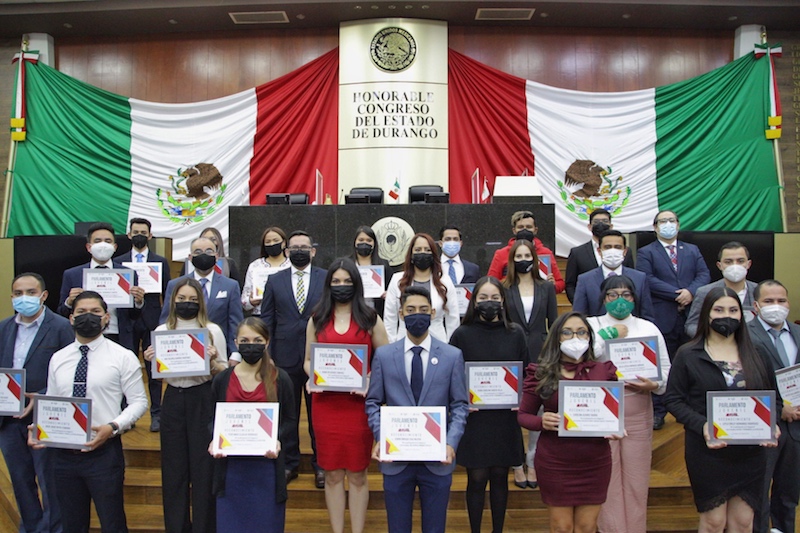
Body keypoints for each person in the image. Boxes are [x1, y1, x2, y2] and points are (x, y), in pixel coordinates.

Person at [33, 291, 147, 532]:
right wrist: (41, 428)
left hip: (104, 453)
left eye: (95, 312)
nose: (88, 317)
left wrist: (113, 427)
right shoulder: (58, 358)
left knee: (112, 522)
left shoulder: (123, 356)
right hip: (63, 455)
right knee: (71, 524)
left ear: (106, 317)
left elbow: (139, 402)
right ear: (71, 318)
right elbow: (54, 401)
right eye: (81, 312)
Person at [665, 286, 777, 533]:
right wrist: (703, 425)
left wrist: (773, 424)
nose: (726, 315)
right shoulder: (688, 354)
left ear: (742, 315)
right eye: (719, 310)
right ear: (707, 313)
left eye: (733, 310)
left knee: (743, 522)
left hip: (751, 451)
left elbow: (774, 398)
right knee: (714, 522)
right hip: (708, 452)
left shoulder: (758, 352)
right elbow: (673, 400)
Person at [366, 285, 469, 533]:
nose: (417, 314)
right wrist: (381, 435)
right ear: (401, 313)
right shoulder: (384, 356)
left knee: (435, 527)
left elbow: (460, 405)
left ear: (433, 313)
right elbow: (373, 402)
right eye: (411, 310)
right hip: (396, 458)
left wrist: (451, 443)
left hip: (437, 458)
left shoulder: (452, 356)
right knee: (397, 527)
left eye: (423, 309)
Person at [303, 258, 389, 533]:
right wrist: (314, 375)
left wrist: (370, 378)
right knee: (331, 473)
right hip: (325, 405)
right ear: (328, 285)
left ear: (357, 284)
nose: (342, 286)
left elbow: (385, 361)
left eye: (347, 281)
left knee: (357, 474)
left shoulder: (370, 319)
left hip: (358, 406)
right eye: (336, 281)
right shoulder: (317, 319)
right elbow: (307, 360)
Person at [517, 311, 620, 533]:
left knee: (587, 527)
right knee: (561, 527)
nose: (575, 338)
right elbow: (523, 415)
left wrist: (615, 427)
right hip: (555, 461)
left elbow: (614, 414)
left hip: (595, 461)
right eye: (567, 332)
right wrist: (542, 421)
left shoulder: (604, 371)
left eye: (582, 332)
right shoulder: (542, 372)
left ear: (590, 338)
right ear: (557, 337)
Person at [586, 275, 671, 533]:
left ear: (634, 298)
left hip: (638, 408)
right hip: (602, 411)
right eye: (613, 295)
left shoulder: (648, 328)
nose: (619, 300)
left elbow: (665, 370)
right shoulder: (591, 325)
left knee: (637, 477)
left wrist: (654, 384)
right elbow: (582, 357)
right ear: (604, 299)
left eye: (626, 295)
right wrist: (608, 334)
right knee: (607, 477)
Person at [143, 278, 228, 533]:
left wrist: (212, 361)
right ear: (173, 301)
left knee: (204, 469)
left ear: (200, 302)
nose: (186, 303)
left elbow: (224, 371)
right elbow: (160, 374)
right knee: (174, 469)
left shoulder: (212, 330)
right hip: (173, 398)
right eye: (182, 299)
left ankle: (204, 527)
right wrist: (151, 360)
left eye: (192, 299)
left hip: (203, 397)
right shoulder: (162, 331)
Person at [450, 276, 527, 533]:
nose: (489, 302)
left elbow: (526, 371)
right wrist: (461, 399)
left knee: (500, 476)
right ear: (474, 301)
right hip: (475, 417)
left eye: (494, 297)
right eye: (483, 297)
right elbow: (452, 375)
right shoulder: (462, 334)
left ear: (503, 301)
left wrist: (521, 398)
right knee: (477, 477)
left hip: (505, 417)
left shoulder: (515, 333)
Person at [0, 273, 72, 533]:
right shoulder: (3, 327)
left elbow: (70, 373)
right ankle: (31, 528)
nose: (24, 298)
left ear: (43, 295)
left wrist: (41, 394)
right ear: (11, 297)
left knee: (50, 482)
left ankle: (54, 529)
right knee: (20, 482)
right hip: (8, 419)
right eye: (18, 293)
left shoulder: (61, 327)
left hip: (47, 415)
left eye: (31, 292)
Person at [210, 318, 297, 533]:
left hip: (266, 469)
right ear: (236, 343)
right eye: (245, 340)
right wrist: (214, 439)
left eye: (257, 340)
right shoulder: (222, 380)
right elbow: (211, 419)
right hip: (231, 470)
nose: (251, 345)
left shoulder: (281, 379)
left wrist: (276, 439)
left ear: (267, 342)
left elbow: (290, 420)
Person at [261, 230, 327, 487]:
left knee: (317, 414)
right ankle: (289, 463)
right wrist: (267, 355)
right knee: (288, 415)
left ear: (313, 251)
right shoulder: (274, 280)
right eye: (294, 247)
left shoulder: (326, 278)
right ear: (287, 252)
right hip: (283, 356)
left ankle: (321, 466)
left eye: (304, 247)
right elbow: (267, 319)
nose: (299, 251)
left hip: (318, 357)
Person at [637, 210, 710, 430]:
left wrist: (690, 292)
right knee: (661, 365)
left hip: (691, 316)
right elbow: (647, 279)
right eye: (663, 221)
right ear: (655, 227)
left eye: (671, 220)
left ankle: (688, 410)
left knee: (691, 363)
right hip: (663, 316)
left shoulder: (692, 249)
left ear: (678, 225)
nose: (668, 224)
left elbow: (704, 275)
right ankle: (659, 412)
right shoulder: (646, 252)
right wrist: (678, 294)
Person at [502, 238, 557, 489]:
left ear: (534, 259)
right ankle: (516, 463)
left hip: (541, 355)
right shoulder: (504, 287)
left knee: (538, 411)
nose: (523, 260)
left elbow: (554, 324)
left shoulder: (546, 287)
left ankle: (533, 461)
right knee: (515, 411)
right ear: (511, 260)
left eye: (527, 256)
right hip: (511, 355)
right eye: (518, 256)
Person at [748, 280, 800, 533]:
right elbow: (745, 383)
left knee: (789, 492)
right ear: (756, 306)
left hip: (797, 428)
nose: (776, 306)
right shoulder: (745, 335)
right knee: (758, 494)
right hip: (763, 426)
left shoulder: (798, 332)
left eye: (781, 300)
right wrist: (779, 409)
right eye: (769, 301)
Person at [118, 217, 172, 432]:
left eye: (143, 232)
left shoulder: (161, 261)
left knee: (154, 371)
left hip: (152, 321)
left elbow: (167, 293)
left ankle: (156, 414)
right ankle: (127, 414)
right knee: (127, 369)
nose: (139, 235)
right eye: (135, 232)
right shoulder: (119, 262)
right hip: (127, 320)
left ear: (150, 236)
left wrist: (165, 323)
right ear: (129, 235)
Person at [57, 222, 145, 352]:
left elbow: (133, 315)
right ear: (89, 247)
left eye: (108, 241)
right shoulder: (72, 274)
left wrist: (138, 302)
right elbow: (62, 312)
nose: (103, 245)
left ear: (114, 247)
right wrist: (69, 302)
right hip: (84, 335)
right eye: (97, 241)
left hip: (118, 336)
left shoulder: (128, 274)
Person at [161, 236, 243, 357]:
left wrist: (235, 353)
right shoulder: (175, 285)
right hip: (182, 350)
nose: (203, 255)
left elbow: (235, 322)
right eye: (198, 252)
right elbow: (166, 319)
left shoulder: (230, 285)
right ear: (190, 257)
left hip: (219, 349)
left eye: (209, 251)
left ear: (216, 256)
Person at [383, 232, 460, 343]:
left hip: (438, 342)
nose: (423, 253)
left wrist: (450, 346)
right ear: (411, 254)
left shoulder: (445, 281)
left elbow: (453, 317)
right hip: (403, 342)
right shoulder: (397, 280)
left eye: (427, 250)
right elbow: (390, 317)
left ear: (433, 255)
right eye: (418, 250)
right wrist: (392, 344)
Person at [572, 230, 655, 322]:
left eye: (617, 247)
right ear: (599, 251)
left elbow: (647, 315)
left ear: (625, 251)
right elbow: (579, 316)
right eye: (607, 247)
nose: (612, 251)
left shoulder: (639, 278)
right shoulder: (585, 280)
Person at [685, 242, 758, 338]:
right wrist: (713, 338)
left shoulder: (759, 291)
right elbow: (691, 325)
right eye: (728, 262)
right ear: (719, 265)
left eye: (740, 261)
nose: (735, 266)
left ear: (748, 264)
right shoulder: (704, 292)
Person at [565, 209, 634, 302]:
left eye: (605, 221)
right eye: (596, 222)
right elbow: (570, 285)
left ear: (611, 226)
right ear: (589, 226)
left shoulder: (625, 251)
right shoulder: (577, 253)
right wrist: (579, 304)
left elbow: (631, 278)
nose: (601, 224)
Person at [487, 210, 564, 292]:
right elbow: (491, 282)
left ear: (535, 230)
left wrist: (553, 285)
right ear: (514, 230)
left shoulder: (546, 253)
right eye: (520, 227)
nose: (524, 230)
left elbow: (560, 283)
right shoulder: (501, 254)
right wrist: (507, 282)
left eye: (529, 227)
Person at [241, 226, 291, 316]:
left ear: (284, 243)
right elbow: (244, 301)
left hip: (287, 316)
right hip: (260, 316)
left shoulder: (292, 264)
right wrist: (251, 301)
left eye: (276, 240)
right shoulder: (255, 266)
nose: (272, 244)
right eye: (268, 242)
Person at [350, 225, 392, 317]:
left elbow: (391, 288)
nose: (365, 243)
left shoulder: (383, 265)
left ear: (374, 244)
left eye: (369, 240)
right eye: (361, 240)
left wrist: (388, 294)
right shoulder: (347, 264)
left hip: (376, 314)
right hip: (352, 313)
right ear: (355, 242)